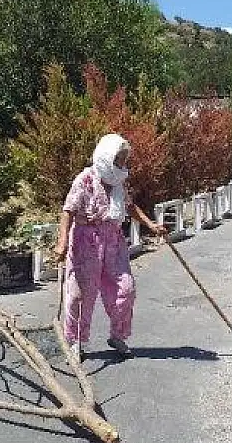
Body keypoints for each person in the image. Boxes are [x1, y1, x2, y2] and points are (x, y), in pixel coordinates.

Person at [53, 133, 167, 361]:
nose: (122, 165)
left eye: (124, 160)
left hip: (113, 241)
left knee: (126, 289)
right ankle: (75, 340)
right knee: (81, 293)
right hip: (86, 241)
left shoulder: (118, 182)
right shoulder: (85, 178)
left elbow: (130, 206)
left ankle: (117, 335)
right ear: (106, 157)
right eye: (119, 160)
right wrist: (62, 242)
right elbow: (68, 210)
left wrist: (151, 225)